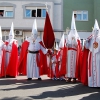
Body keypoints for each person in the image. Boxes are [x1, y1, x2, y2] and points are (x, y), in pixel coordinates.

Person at [81, 19, 100, 87]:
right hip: (92, 56)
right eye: (94, 30)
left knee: (98, 70)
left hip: (98, 56)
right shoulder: (91, 38)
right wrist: (86, 41)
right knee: (91, 69)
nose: (96, 32)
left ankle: (98, 84)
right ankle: (92, 84)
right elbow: (87, 47)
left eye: (97, 30)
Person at [65, 12, 81, 83]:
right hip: (69, 52)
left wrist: (75, 40)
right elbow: (66, 45)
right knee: (69, 65)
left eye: (74, 30)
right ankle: (69, 77)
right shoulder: (68, 37)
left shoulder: (77, 36)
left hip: (74, 52)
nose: (73, 31)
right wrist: (68, 42)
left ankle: (74, 77)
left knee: (74, 64)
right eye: (72, 30)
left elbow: (79, 45)